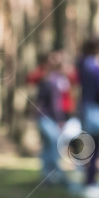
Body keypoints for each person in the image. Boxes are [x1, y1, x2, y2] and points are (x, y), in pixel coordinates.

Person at [76, 37, 99, 198]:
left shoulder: (81, 64)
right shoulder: (96, 66)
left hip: (85, 109)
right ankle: (91, 183)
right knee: (95, 147)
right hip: (96, 111)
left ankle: (88, 181)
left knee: (88, 147)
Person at [36, 52, 68, 183]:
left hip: (42, 118)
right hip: (48, 119)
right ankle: (54, 176)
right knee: (53, 148)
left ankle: (47, 176)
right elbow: (55, 103)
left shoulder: (45, 79)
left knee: (47, 148)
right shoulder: (53, 81)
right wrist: (60, 119)